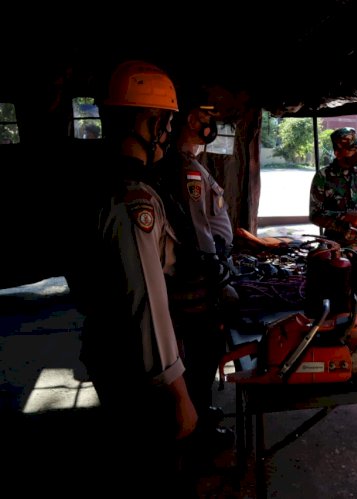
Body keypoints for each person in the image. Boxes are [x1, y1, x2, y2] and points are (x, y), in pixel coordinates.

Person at [65, 60, 197, 494]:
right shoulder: (132, 198)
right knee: (154, 470)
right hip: (136, 370)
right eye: (168, 122)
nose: (169, 132)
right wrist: (175, 391)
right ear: (151, 120)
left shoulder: (99, 181)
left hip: (110, 350)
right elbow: (146, 301)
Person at [158, 93, 236, 459]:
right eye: (207, 116)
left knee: (203, 350)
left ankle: (201, 410)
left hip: (202, 272)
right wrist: (214, 268)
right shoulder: (184, 168)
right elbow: (197, 226)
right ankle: (199, 425)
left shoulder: (189, 164)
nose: (212, 124)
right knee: (203, 351)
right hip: (198, 279)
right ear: (191, 119)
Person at [309, 127, 357, 244]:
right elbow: (315, 215)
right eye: (351, 150)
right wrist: (345, 216)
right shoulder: (323, 176)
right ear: (337, 153)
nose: (356, 153)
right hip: (336, 247)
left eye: (356, 148)